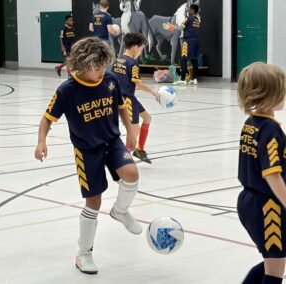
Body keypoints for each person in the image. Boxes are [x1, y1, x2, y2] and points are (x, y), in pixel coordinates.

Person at [35, 37, 142, 274]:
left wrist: (131, 132)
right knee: (94, 201)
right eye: (97, 67)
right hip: (87, 151)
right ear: (82, 66)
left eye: (105, 65)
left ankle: (121, 211)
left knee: (132, 173)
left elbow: (122, 106)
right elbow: (47, 118)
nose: (102, 71)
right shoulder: (67, 90)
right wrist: (41, 142)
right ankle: (84, 253)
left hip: (112, 142)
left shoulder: (111, 80)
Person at [237, 62, 286, 284]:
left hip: (249, 201)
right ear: (271, 95)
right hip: (269, 207)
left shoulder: (251, 123)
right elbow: (271, 174)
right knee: (275, 271)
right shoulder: (271, 130)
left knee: (273, 261)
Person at [113, 33, 159, 163]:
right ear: (135, 47)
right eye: (141, 49)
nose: (140, 52)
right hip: (127, 99)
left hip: (125, 97)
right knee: (132, 134)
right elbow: (139, 85)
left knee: (147, 118)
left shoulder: (119, 59)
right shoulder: (133, 63)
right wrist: (154, 93)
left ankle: (140, 150)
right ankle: (123, 162)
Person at [165, 4, 200, 85]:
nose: (188, 11)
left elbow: (181, 28)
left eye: (189, 9)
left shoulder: (188, 19)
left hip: (187, 41)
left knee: (183, 59)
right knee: (194, 60)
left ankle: (183, 79)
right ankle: (194, 79)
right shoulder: (197, 19)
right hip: (196, 41)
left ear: (192, 10)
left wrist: (170, 26)